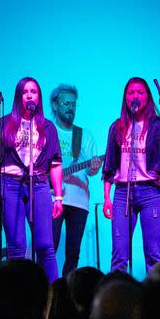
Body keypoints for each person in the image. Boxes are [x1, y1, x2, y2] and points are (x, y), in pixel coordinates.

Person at [0, 77, 63, 281]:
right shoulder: (3, 124)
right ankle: (18, 296)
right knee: (17, 247)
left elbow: (55, 164)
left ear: (38, 97)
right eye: (25, 91)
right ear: (19, 96)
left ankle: (54, 294)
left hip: (38, 184)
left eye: (34, 91)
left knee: (45, 246)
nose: (30, 95)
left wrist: (58, 197)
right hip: (9, 184)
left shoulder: (48, 128)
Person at [102, 77, 160, 273]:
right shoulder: (116, 127)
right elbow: (109, 164)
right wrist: (106, 198)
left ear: (148, 98)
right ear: (125, 98)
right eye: (131, 92)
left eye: (140, 92)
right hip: (122, 192)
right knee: (119, 254)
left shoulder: (158, 126)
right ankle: (118, 299)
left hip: (151, 192)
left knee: (153, 254)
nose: (135, 96)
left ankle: (153, 300)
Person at [49, 84, 102, 276]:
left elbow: (91, 170)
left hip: (79, 200)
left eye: (73, 104)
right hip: (52, 198)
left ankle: (67, 295)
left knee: (73, 254)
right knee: (49, 248)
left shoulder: (84, 135)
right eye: (65, 103)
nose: (70, 107)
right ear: (55, 105)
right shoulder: (47, 130)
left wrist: (95, 166)